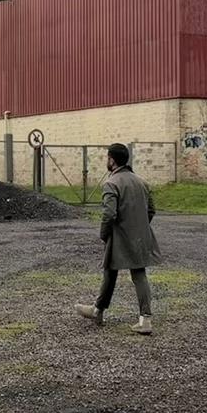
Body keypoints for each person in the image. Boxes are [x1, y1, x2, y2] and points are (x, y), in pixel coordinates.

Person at [75, 143, 160, 334]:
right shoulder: (141, 182)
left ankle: (98, 310)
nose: (107, 161)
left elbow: (109, 214)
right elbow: (151, 210)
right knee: (138, 273)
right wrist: (138, 226)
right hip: (138, 236)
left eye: (107, 158)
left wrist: (104, 234)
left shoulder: (111, 183)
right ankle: (144, 319)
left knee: (110, 271)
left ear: (112, 160)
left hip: (119, 236)